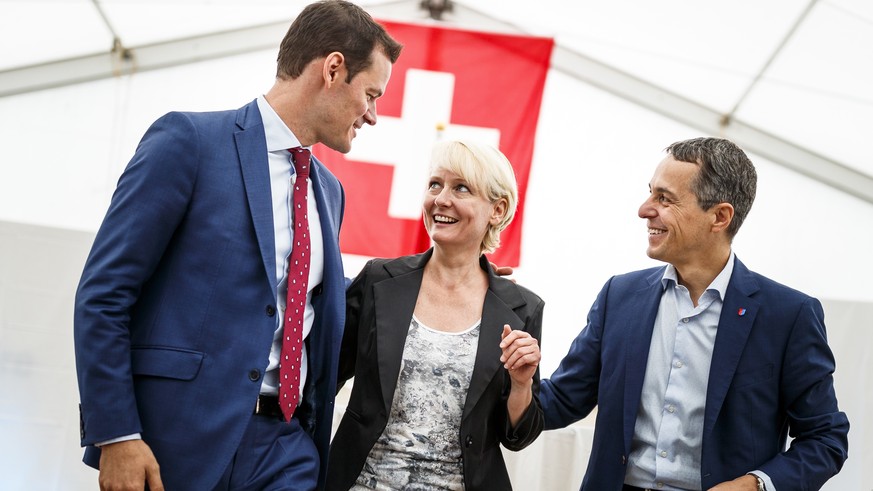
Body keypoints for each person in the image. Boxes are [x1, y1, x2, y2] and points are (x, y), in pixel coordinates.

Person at [73, 1, 402, 489]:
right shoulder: (188, 142)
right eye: (371, 94)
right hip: (177, 444)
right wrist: (116, 434)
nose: (372, 115)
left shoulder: (330, 192)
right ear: (333, 69)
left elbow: (311, 305)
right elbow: (104, 294)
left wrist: (447, 274)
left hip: (288, 449)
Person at [539, 137, 849, 491]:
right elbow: (559, 401)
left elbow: (826, 438)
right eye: (650, 193)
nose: (644, 209)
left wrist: (754, 485)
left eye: (665, 199)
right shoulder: (619, 296)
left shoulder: (789, 315)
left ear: (719, 216)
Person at [326, 140, 544, 491]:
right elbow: (324, 376)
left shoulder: (522, 308)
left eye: (461, 188)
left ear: (498, 210)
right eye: (435, 184)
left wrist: (521, 385)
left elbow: (516, 436)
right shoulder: (378, 281)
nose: (441, 199)